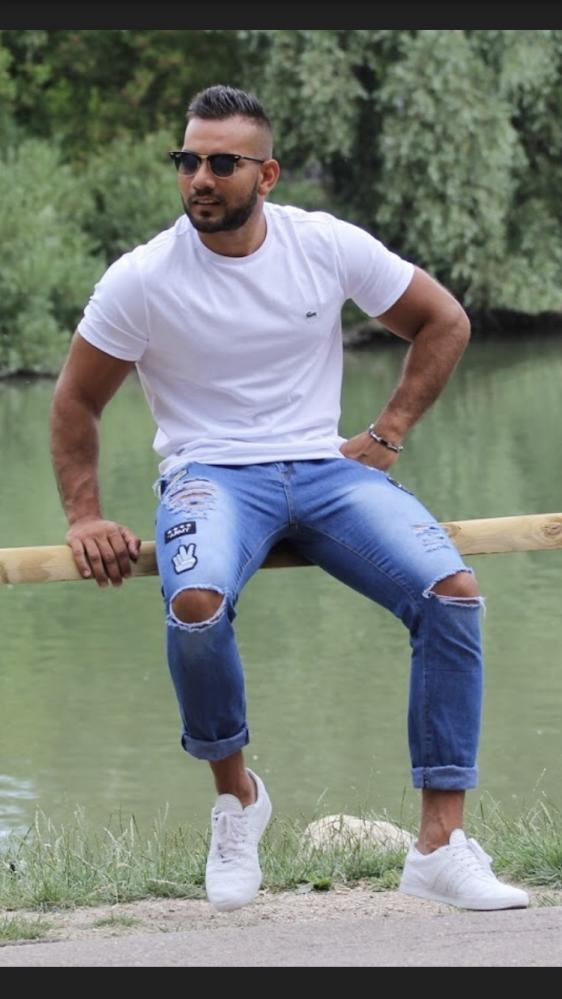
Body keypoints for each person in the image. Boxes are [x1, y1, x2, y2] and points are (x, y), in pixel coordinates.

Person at [50, 83, 529, 914]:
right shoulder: (143, 277)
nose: (200, 178)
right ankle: (238, 800)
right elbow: (75, 401)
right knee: (195, 605)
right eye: (188, 160)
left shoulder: (323, 244)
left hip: (325, 468)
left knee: (452, 593)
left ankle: (440, 847)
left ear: (266, 174)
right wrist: (85, 514)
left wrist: (387, 432)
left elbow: (443, 320)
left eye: (222, 163)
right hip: (210, 474)